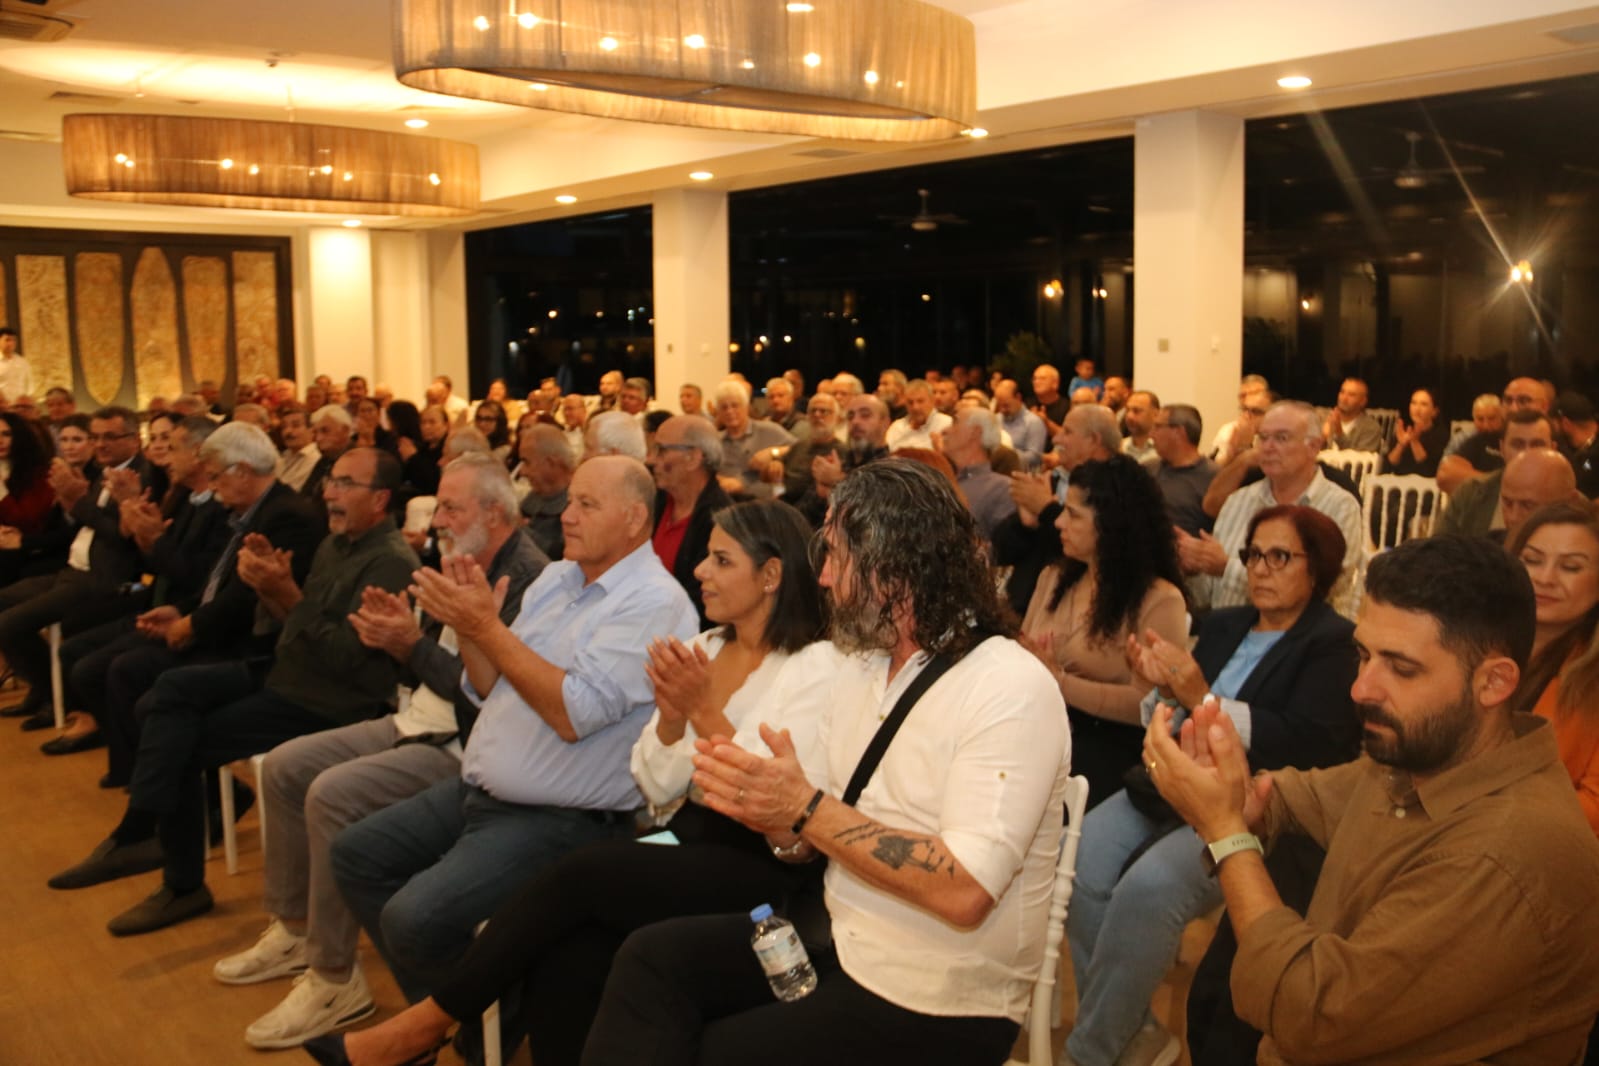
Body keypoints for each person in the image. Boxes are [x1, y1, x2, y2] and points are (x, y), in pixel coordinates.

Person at [577, 459, 1070, 1066]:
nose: (824, 578)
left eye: (835, 556)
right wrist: (781, 824)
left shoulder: (1007, 685)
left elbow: (966, 889)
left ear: (894, 566)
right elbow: (808, 839)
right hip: (832, 939)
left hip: (936, 995)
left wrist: (804, 809)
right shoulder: (861, 668)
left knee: (709, 1052)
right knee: (649, 961)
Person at [308, 500, 826, 1066]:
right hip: (685, 834)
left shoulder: (812, 666)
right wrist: (674, 720)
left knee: (582, 872)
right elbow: (656, 784)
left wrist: (700, 711)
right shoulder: (705, 648)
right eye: (705, 556)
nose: (700, 570)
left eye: (722, 560)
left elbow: (769, 796)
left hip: (762, 857)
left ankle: (428, 1022)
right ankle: (436, 1027)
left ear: (771, 575)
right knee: (568, 951)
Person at [1145, 535, 1599, 1065]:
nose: (1361, 689)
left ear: (1494, 682)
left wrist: (1228, 835)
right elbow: (1305, 797)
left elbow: (1310, 1014)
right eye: (1363, 655)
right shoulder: (1430, 757)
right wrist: (1236, 793)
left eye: (1401, 668)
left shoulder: (1505, 856)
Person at [328, 456, 698, 1005]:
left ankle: (475, 1015)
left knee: (412, 919)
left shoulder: (654, 602)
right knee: (355, 854)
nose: (566, 516)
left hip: (560, 819)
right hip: (481, 791)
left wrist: (484, 626)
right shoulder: (557, 578)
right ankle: (473, 1011)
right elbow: (489, 683)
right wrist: (470, 626)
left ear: (634, 518)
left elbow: (572, 715)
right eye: (569, 501)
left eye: (586, 504)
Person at [214, 455, 547, 1050]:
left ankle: (333, 976)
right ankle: (294, 927)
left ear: (494, 512)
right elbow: (428, 673)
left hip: (460, 744)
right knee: (286, 767)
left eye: (451, 508)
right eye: (439, 507)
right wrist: (402, 642)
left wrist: (412, 645)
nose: (437, 520)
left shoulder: (526, 580)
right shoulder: (460, 559)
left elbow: (493, 702)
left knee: (331, 796)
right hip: (417, 716)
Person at [47, 448, 418, 936]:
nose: (330, 492)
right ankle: (148, 838)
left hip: (332, 701)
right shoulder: (336, 544)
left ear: (381, 499)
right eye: (331, 480)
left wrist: (286, 593)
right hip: (288, 673)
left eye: (346, 484)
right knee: (166, 695)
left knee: (177, 734)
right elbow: (295, 627)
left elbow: (347, 661)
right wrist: (266, 587)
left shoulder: (390, 562)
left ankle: (166, 864)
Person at [1063, 506, 1358, 1066]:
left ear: (1317, 568)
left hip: (1249, 804)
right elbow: (1174, 715)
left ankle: (1090, 1052)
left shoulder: (1333, 643)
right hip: (1166, 784)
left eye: (1280, 556)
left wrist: (1200, 696)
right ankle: (1135, 1031)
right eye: (1254, 555)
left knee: (1147, 889)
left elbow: (1309, 743)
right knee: (1078, 859)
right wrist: (1158, 687)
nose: (1261, 569)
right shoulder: (1226, 623)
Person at [1020, 455, 1187, 804]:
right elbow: (1023, 653)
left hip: (1107, 746)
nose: (1058, 522)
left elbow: (1150, 707)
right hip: (1037, 724)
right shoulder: (1054, 578)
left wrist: (1060, 682)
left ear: (1110, 524)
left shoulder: (1159, 599)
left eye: (1073, 514)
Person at [1180, 401, 1362, 619]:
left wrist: (1227, 568)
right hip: (1227, 630)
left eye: (1281, 438)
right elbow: (1208, 594)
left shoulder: (1339, 505)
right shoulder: (1239, 500)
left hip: (1301, 634)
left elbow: (1323, 590)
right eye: (1263, 438)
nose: (1267, 447)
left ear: (1313, 447)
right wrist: (1193, 567)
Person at [1509, 500, 1599, 834]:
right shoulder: (1471, 646)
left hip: (1543, 847)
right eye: (1532, 560)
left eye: (1571, 567)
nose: (1544, 578)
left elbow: (1594, 806)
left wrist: (1485, 815)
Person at [649, 415, 732, 625]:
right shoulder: (655, 502)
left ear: (693, 458)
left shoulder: (720, 519)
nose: (651, 459)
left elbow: (702, 601)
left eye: (661, 450)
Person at [1437, 409, 1557, 538]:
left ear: (1553, 449)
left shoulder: (1565, 499)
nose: (1526, 453)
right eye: (1518, 444)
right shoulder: (1469, 494)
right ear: (1502, 448)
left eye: (1537, 445)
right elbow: (1437, 546)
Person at [1150, 404, 1216, 536]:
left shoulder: (1214, 478)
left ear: (1179, 432)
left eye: (1157, 427)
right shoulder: (1146, 470)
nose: (1151, 434)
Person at [1383, 387, 1449, 476]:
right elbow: (1389, 466)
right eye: (1413, 403)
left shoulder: (1441, 435)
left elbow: (1430, 470)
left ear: (1434, 411)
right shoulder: (1405, 430)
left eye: (1424, 404)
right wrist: (1401, 445)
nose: (1417, 409)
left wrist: (1415, 442)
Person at [884, 379, 950, 451]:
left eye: (920, 401)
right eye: (910, 402)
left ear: (932, 401)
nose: (915, 407)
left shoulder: (947, 424)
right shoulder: (897, 427)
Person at [1322, 377, 1384, 452]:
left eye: (1351, 395)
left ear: (1363, 401)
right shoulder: (1323, 418)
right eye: (1342, 392)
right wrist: (1323, 437)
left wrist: (1339, 432)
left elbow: (1358, 457)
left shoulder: (1371, 428)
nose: (1344, 398)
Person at [1119, 390, 1160, 467]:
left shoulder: (1165, 450)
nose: (1129, 416)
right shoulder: (1119, 448)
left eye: (1136, 411)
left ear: (1155, 414)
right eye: (1127, 410)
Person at [0, 326, 34, 403]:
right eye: (7, 340)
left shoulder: (22, 362)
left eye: (14, 340)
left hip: (19, 406)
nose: (11, 343)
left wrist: (27, 400)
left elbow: (29, 384)